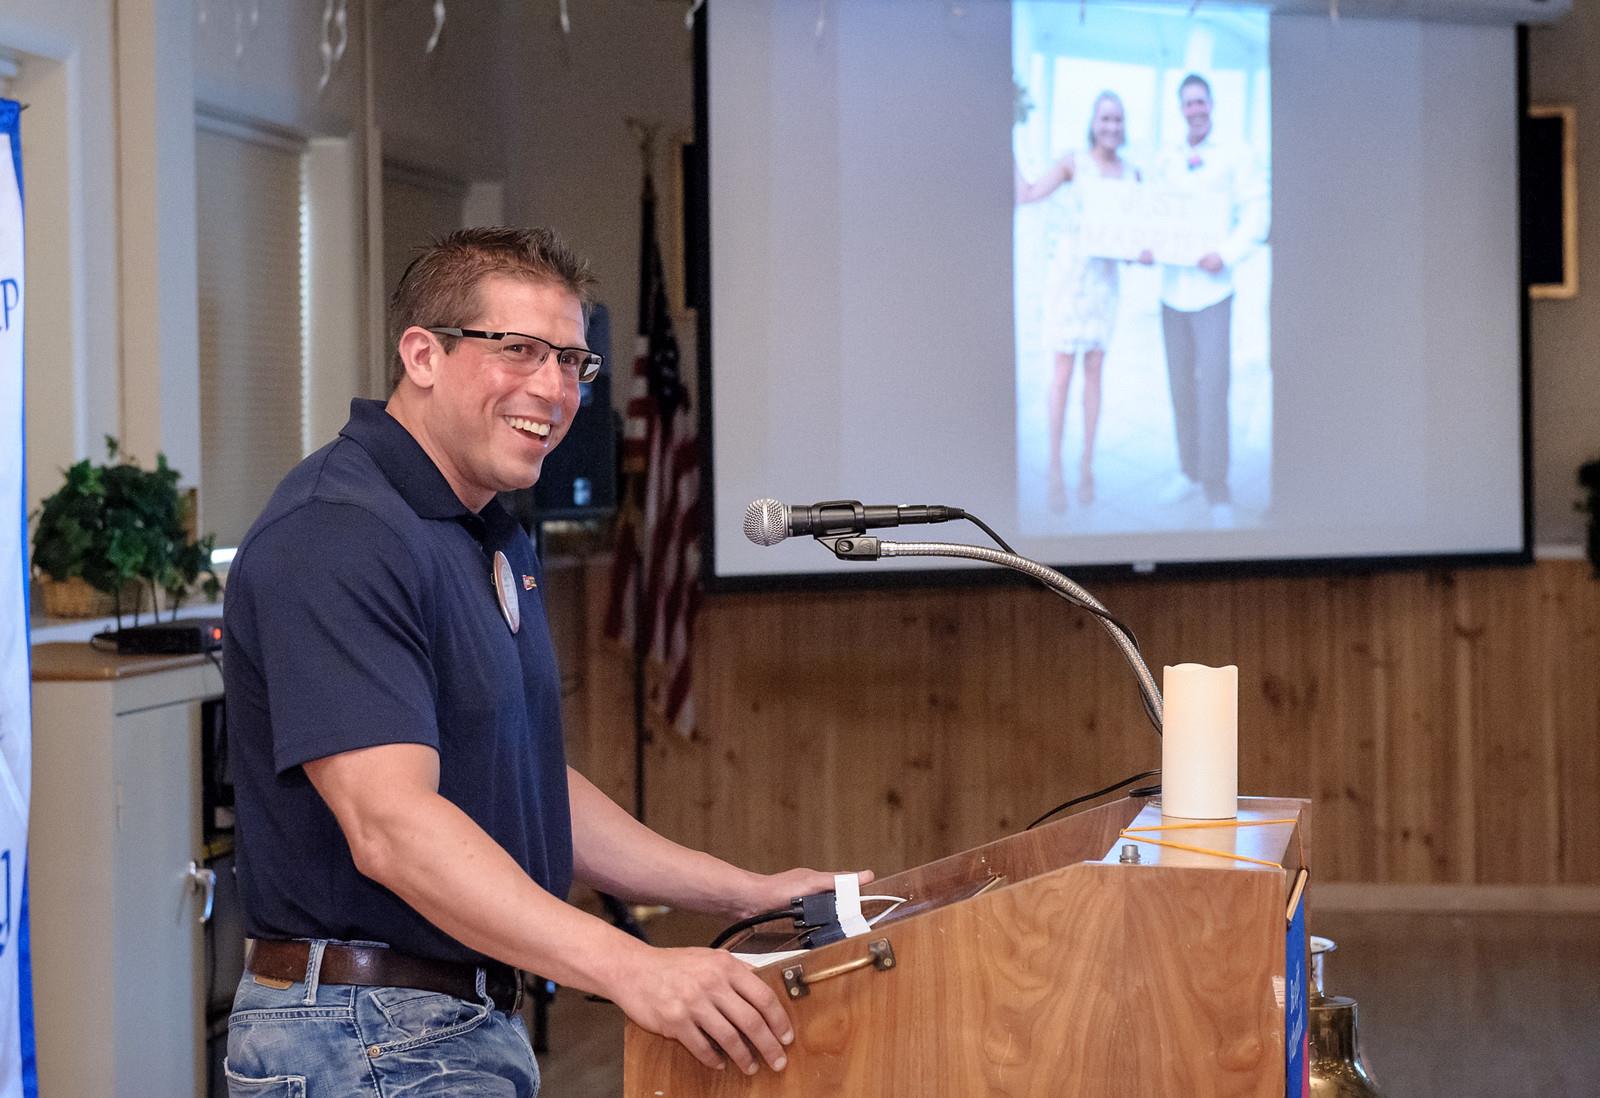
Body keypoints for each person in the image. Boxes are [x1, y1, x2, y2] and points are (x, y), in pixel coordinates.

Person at [221, 227, 862, 1096]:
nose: (554, 389)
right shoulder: (339, 532)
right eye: (519, 350)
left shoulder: (486, 527)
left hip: (446, 1026)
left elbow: (526, 785)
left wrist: (744, 893)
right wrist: (631, 965)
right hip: (359, 1038)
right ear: (423, 355)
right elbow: (393, 830)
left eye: (571, 362)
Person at [1151, 73, 1269, 528]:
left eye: (1201, 101)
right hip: (1171, 292)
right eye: (1188, 103)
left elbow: (1257, 213)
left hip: (1214, 292)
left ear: (1212, 104)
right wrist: (1143, 244)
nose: (1195, 109)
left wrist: (1226, 254)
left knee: (1213, 390)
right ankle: (1188, 472)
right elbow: (1152, 211)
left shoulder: (1236, 153)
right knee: (1180, 387)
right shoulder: (1168, 156)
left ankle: (1217, 489)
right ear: (1181, 109)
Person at [1016, 91, 1141, 513]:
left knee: (1095, 369)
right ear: (1093, 121)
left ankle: (1086, 464)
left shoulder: (1131, 173)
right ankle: (1055, 469)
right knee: (1063, 371)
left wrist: (1140, 250)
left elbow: (1136, 236)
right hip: (1070, 278)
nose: (1112, 126)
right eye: (1106, 118)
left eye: (1119, 120)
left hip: (1105, 282)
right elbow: (1029, 193)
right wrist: (1006, 138)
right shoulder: (1073, 162)